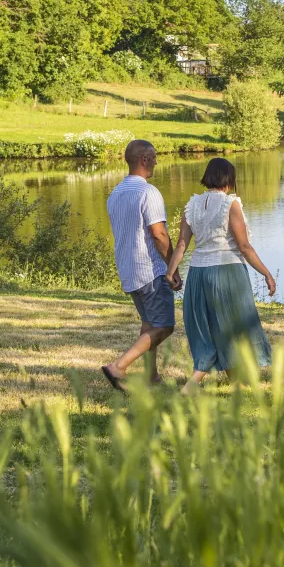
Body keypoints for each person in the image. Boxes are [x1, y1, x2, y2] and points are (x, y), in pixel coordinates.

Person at [165, 157, 274, 393]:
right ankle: (192, 384)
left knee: (211, 326)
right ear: (230, 179)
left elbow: (182, 244)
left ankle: (237, 380)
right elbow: (244, 246)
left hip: (198, 273)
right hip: (227, 272)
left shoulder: (192, 205)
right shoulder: (229, 204)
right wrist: (266, 273)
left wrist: (171, 271)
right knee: (234, 325)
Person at [102, 139, 174, 393]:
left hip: (128, 270)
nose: (156, 161)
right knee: (164, 326)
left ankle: (151, 375)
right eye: (154, 157)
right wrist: (172, 266)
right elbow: (159, 235)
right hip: (150, 271)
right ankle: (118, 366)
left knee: (148, 322)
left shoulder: (116, 193)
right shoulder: (148, 192)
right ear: (143, 159)